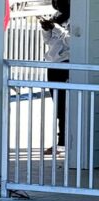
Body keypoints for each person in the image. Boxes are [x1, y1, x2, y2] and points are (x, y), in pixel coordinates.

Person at [41, 0, 70, 155]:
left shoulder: (77, 17)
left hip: (67, 63)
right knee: (58, 104)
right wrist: (46, 30)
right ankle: (62, 142)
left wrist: (57, 28)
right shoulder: (57, 16)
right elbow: (49, 41)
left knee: (66, 104)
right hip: (53, 64)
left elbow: (71, 41)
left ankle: (64, 143)